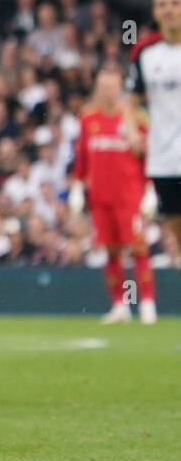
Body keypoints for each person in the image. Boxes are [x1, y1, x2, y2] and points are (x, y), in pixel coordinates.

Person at [69, 64, 154, 324]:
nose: (107, 91)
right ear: (98, 87)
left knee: (138, 248)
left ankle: (147, 303)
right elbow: (82, 158)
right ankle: (120, 305)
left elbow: (147, 157)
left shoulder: (134, 118)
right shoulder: (88, 119)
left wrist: (150, 189)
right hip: (101, 198)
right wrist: (77, 187)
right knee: (111, 251)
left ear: (120, 87)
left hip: (129, 197)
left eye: (112, 86)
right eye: (103, 86)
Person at [128, 0, 181, 297]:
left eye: (175, 3)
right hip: (163, 159)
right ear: (155, 12)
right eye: (163, 4)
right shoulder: (145, 52)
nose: (170, 10)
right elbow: (131, 101)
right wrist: (132, 129)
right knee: (175, 228)